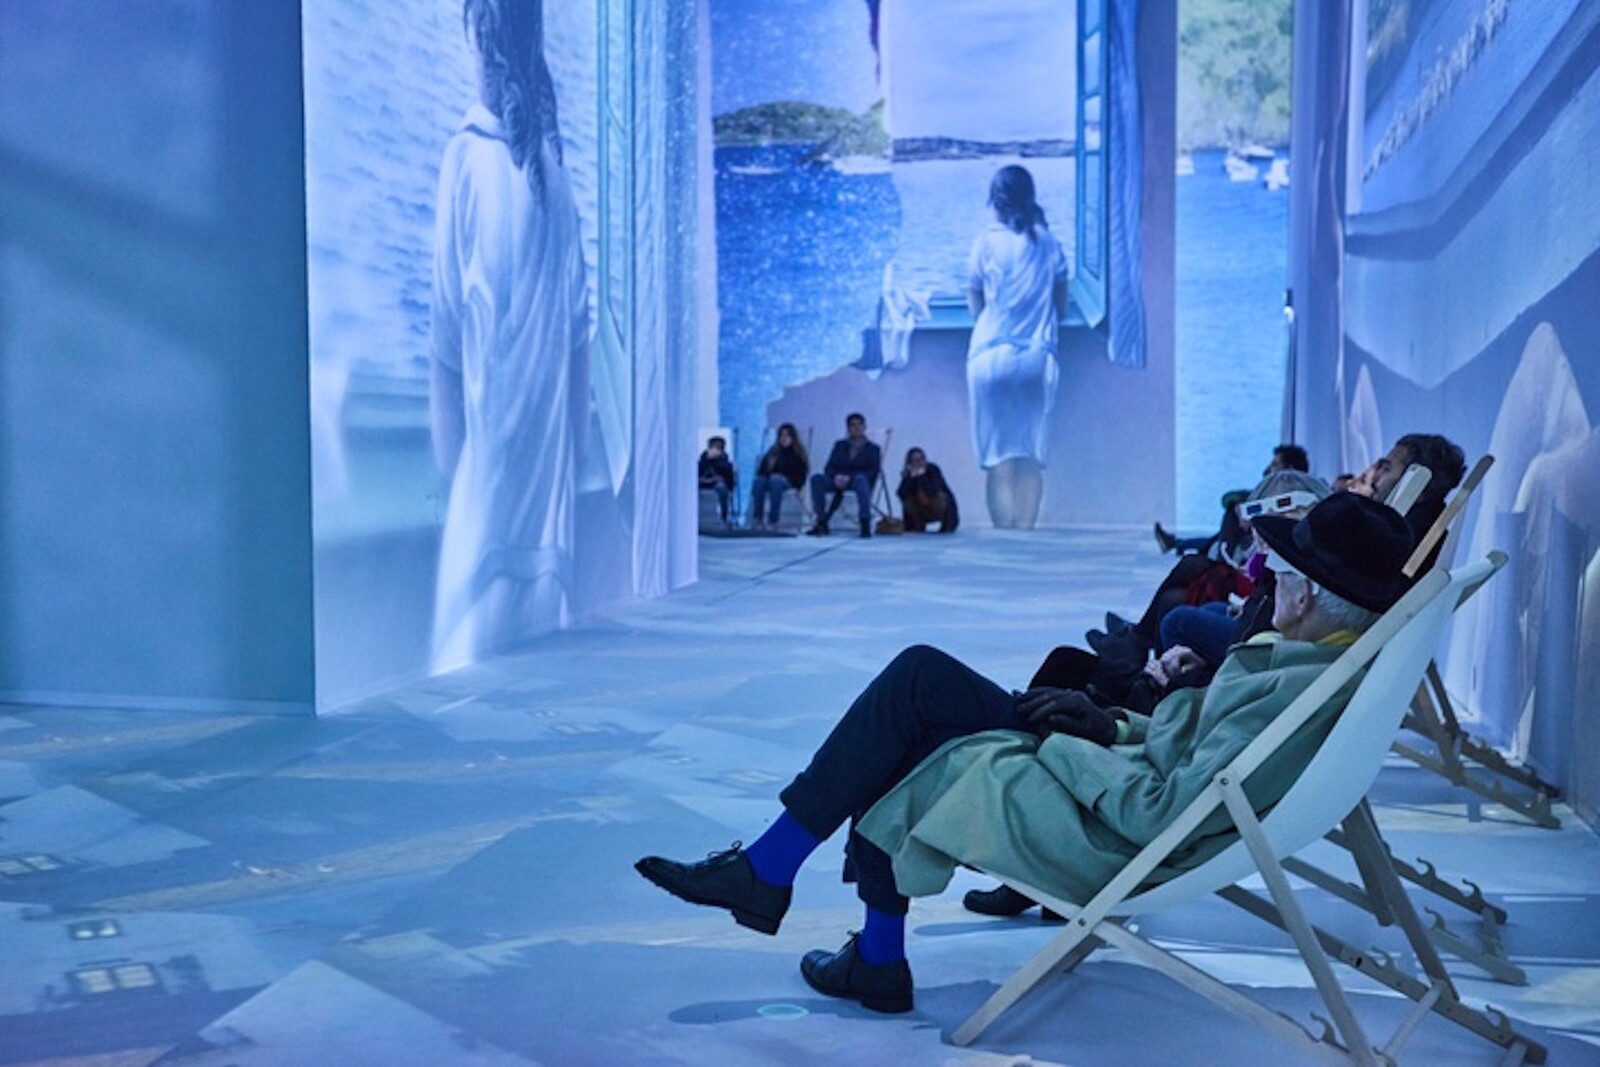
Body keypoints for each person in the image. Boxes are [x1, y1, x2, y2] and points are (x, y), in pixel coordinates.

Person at [636, 493, 1414, 1014]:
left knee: (918, 696)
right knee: (919, 694)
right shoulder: (1312, 668)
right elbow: (1185, 762)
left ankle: (819, 907)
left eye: (1278, 572)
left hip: (1111, 834)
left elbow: (1161, 812)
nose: (1266, 582)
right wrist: (1109, 725)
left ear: (1306, 593)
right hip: (1115, 781)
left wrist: (1068, 740)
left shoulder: (1287, 687)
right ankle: (827, 917)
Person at [430, 0, 589, 674]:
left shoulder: (466, 158)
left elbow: (445, 346)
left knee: (463, 684)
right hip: (550, 520)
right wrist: (570, 468)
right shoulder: (556, 176)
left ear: (480, 40)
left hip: (488, 507)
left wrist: (453, 487)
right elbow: (579, 345)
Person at [966, 164, 1070, 530]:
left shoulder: (984, 243)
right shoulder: (1048, 242)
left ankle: (1004, 540)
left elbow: (975, 303)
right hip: (1036, 358)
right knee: (1030, 459)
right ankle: (1025, 537)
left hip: (989, 358)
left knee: (998, 462)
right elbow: (1060, 304)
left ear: (994, 201)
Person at [1155, 443, 1311, 554]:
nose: (1269, 469)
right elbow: (1230, 497)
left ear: (1289, 469)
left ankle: (1180, 545)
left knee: (1223, 532)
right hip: (1245, 543)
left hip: (1257, 550)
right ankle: (1179, 544)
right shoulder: (1265, 493)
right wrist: (1238, 506)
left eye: (1275, 464)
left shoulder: (1300, 499)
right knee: (1221, 532)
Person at [808, 413, 882, 539]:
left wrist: (850, 477)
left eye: (859, 425)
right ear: (848, 429)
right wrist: (836, 477)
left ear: (864, 427)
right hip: (837, 480)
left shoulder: (873, 449)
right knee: (816, 479)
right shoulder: (840, 445)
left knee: (861, 480)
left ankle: (864, 522)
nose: (856, 428)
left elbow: (873, 471)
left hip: (858, 481)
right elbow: (829, 467)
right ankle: (821, 521)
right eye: (852, 425)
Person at [749, 423, 809, 530]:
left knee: (776, 481)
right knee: (759, 481)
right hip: (770, 480)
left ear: (792, 437)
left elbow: (801, 474)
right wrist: (769, 468)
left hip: (790, 482)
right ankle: (757, 518)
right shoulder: (773, 452)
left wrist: (784, 477)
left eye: (787, 435)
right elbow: (761, 471)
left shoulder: (797, 453)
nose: (784, 438)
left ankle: (773, 520)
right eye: (781, 435)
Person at [895, 448, 959, 533]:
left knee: (941, 497)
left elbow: (933, 491)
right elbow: (901, 494)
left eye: (921, 459)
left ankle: (946, 524)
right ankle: (917, 525)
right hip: (921, 510)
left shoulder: (933, 470)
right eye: (916, 460)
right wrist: (908, 479)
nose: (919, 462)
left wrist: (921, 477)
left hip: (936, 508)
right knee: (908, 501)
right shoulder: (910, 474)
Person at [698, 436, 736, 526]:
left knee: (722, 488)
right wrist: (708, 460)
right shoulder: (702, 461)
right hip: (702, 482)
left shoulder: (725, 464)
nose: (714, 451)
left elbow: (729, 481)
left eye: (718, 449)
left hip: (716, 484)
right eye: (712, 448)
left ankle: (724, 516)